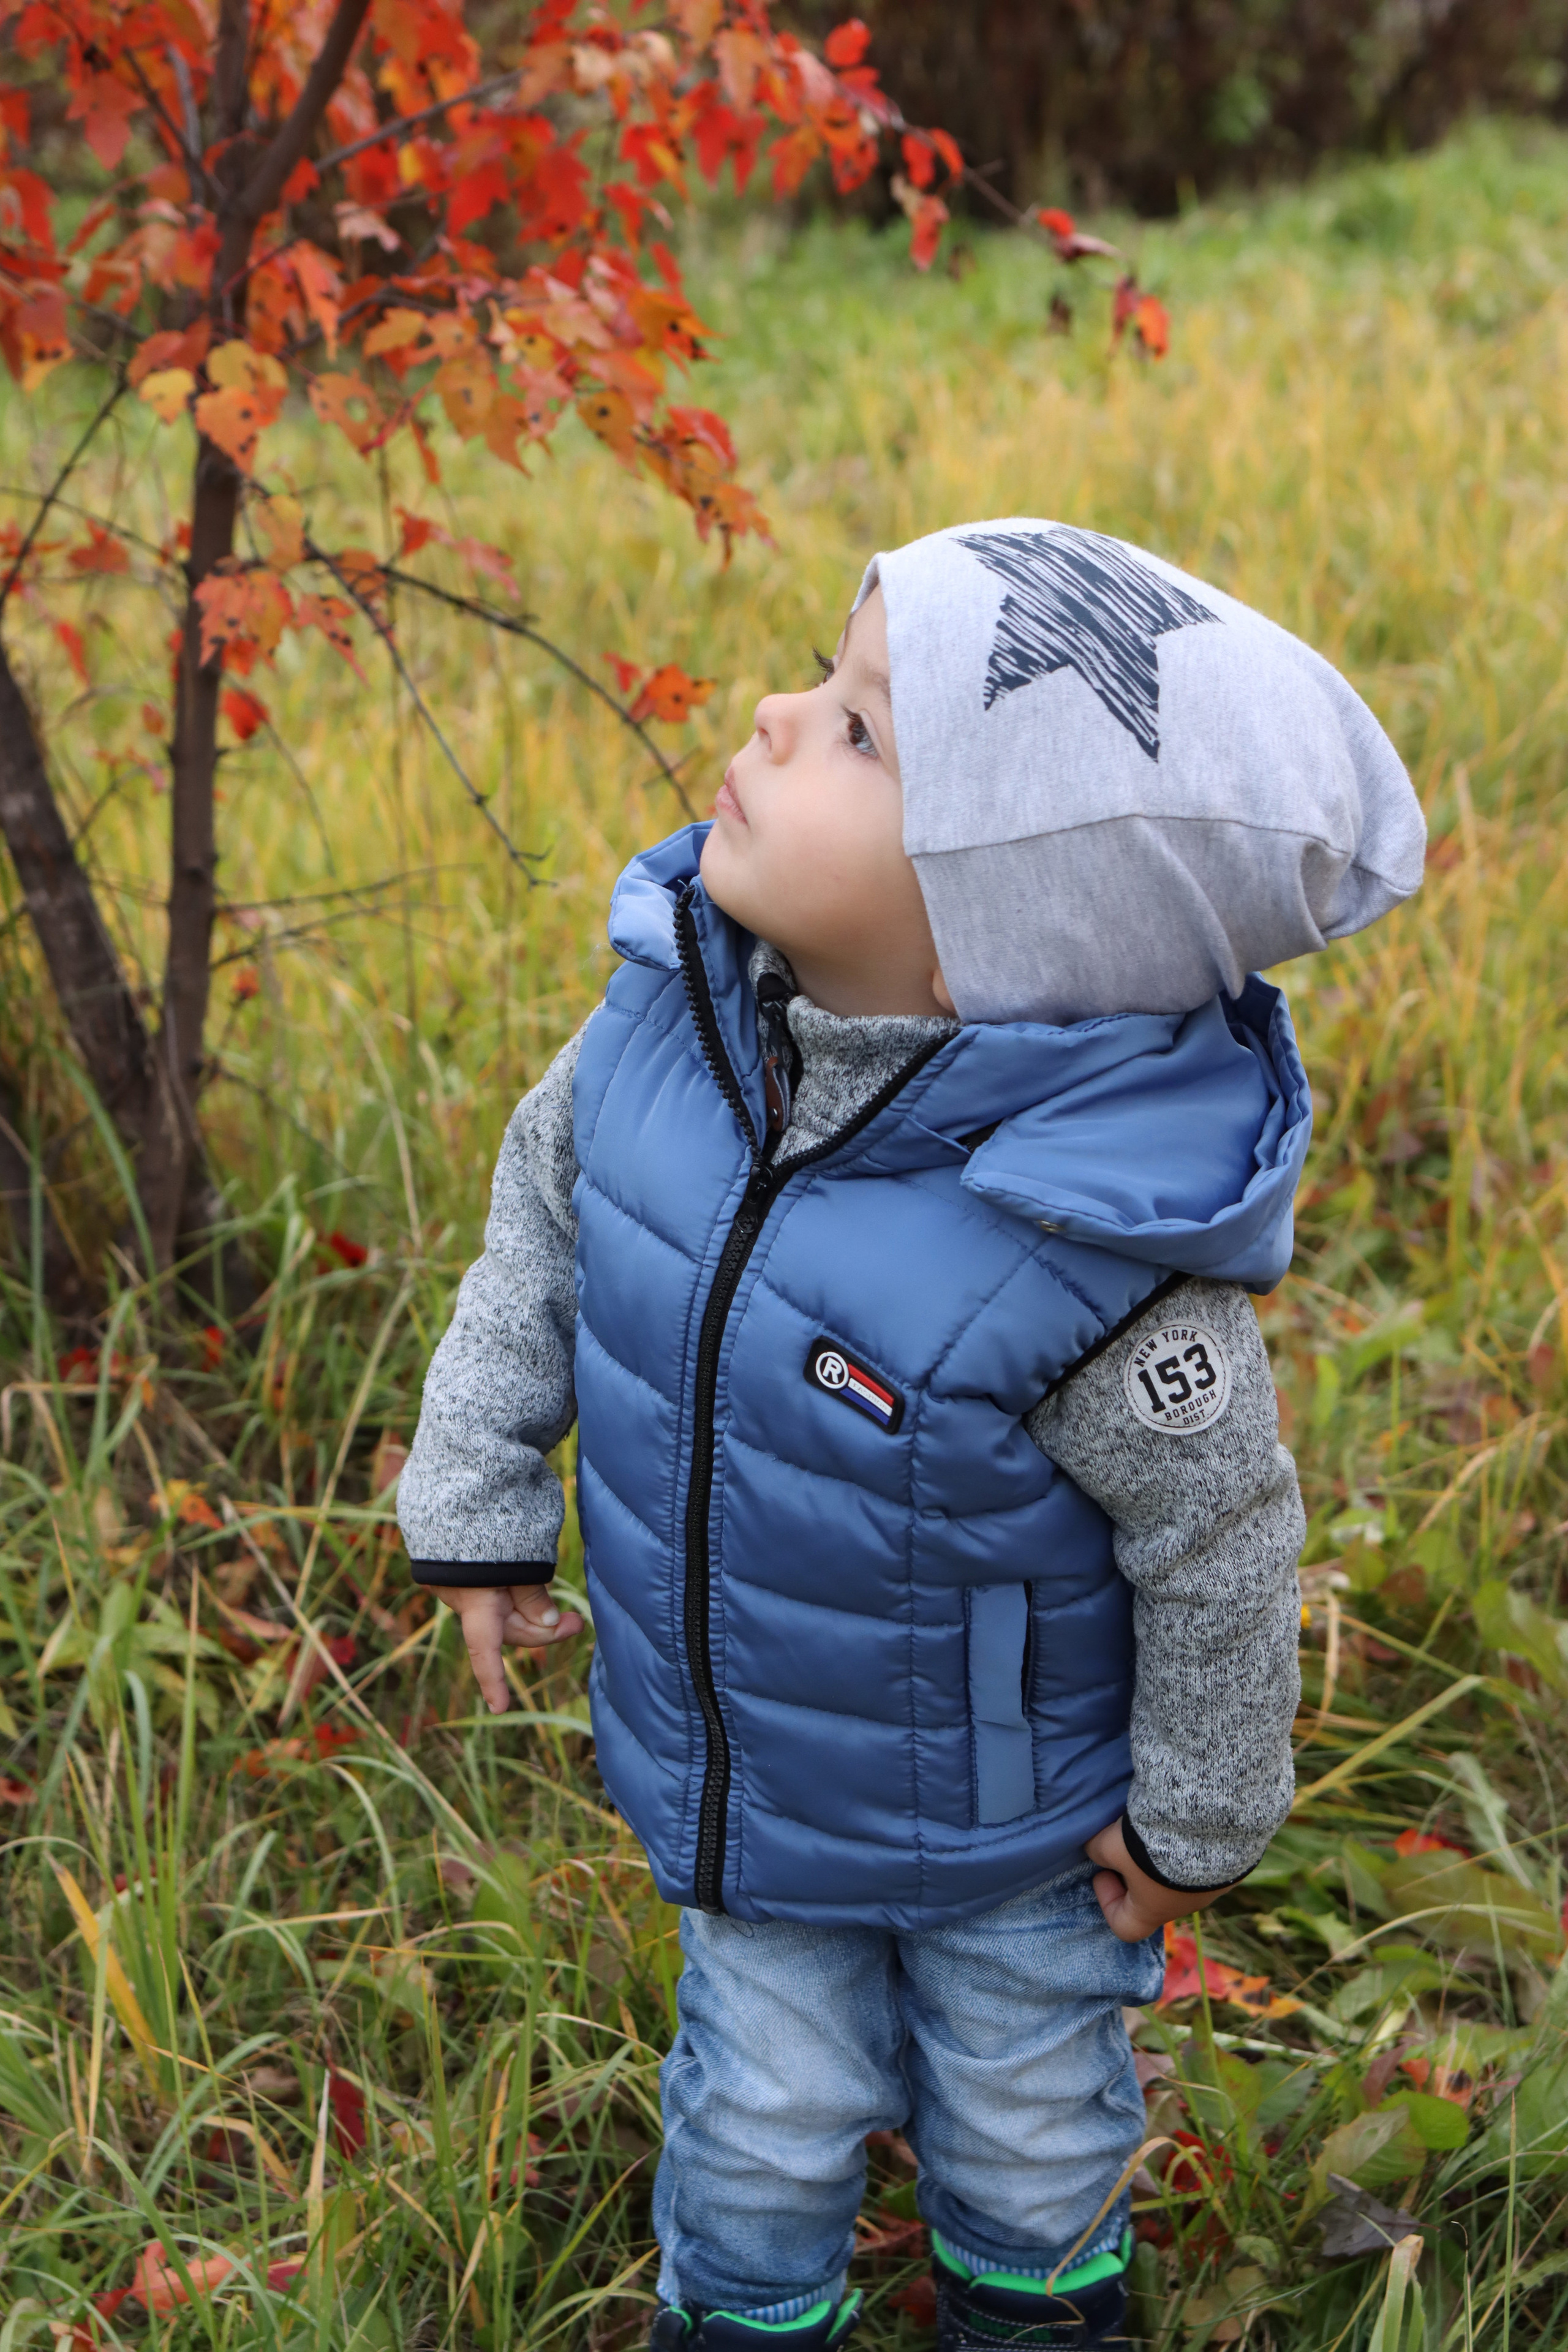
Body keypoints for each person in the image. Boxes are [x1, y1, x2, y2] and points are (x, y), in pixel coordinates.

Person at [398, 520, 1425, 2351]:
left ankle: (1035, 2317)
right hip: (752, 1786)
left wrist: (1196, 1819)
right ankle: (744, 2319)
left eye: (865, 735)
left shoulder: (1097, 1245)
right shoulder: (664, 1035)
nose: (781, 718)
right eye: (824, 676)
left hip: (1019, 1831)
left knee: (1033, 2125)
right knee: (759, 2117)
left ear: (995, 945)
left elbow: (1221, 1540)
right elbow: (542, 1222)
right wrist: (479, 1493)